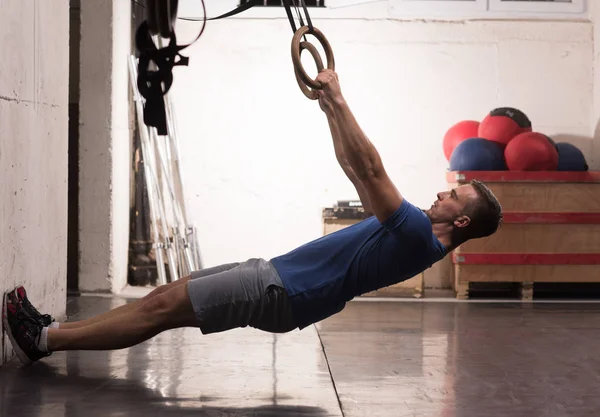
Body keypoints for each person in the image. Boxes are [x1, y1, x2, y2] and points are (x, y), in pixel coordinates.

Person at [2, 69, 503, 365]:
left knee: (159, 312)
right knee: (162, 298)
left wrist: (341, 96)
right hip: (279, 279)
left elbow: (372, 167)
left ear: (461, 222)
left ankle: (43, 340)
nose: (442, 191)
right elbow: (354, 167)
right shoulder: (412, 226)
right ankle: (53, 333)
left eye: (454, 195)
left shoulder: (418, 235)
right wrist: (329, 108)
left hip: (282, 290)